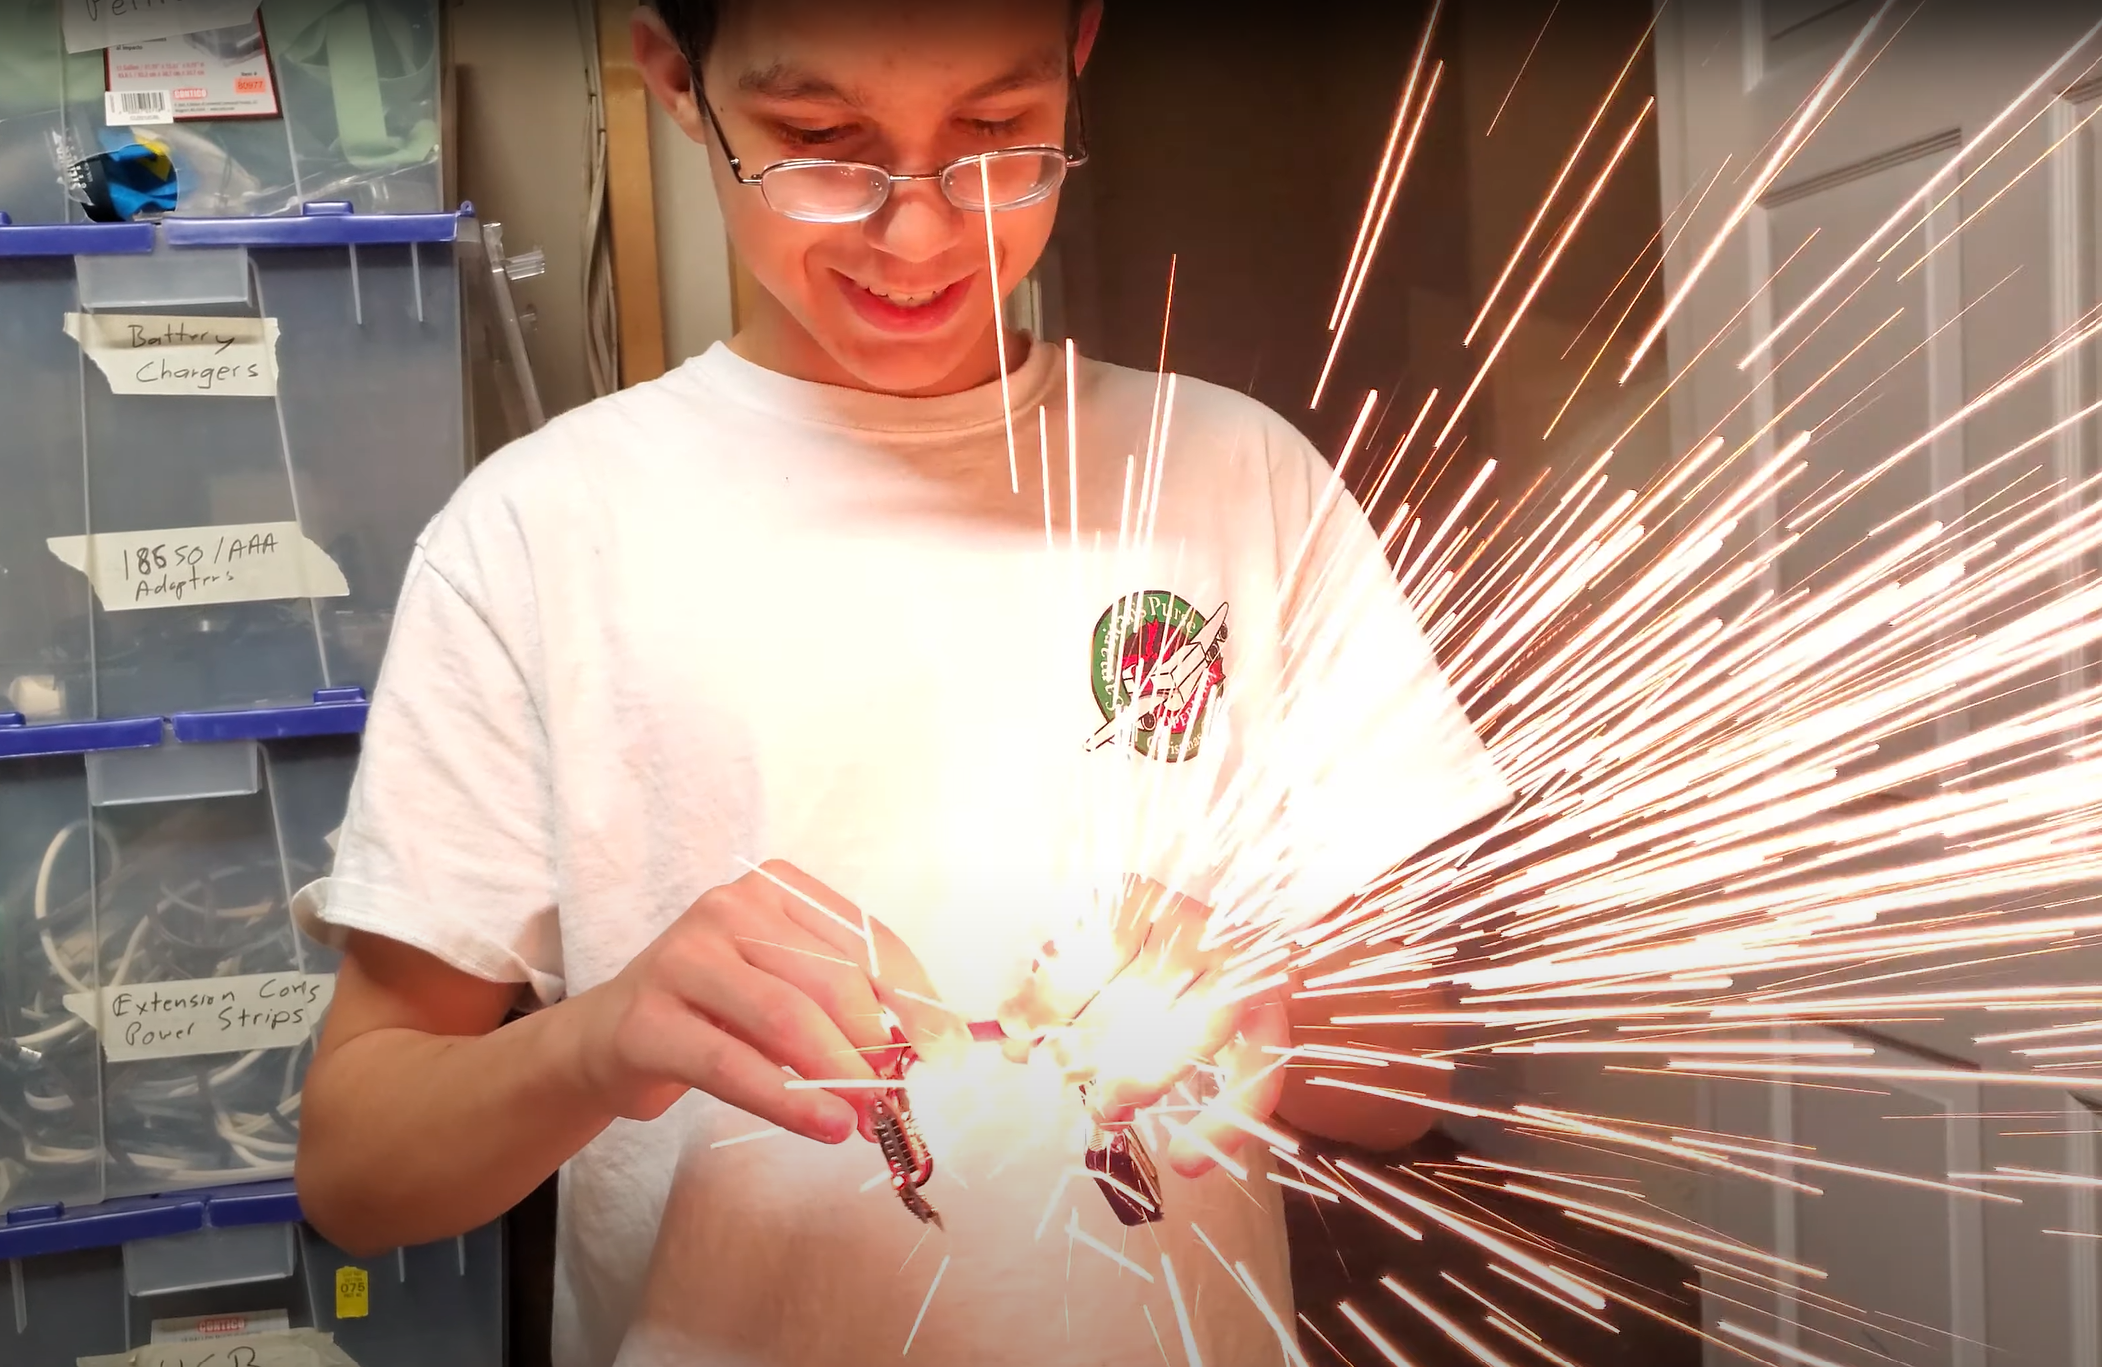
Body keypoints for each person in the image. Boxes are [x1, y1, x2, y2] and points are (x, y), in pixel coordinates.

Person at [292, 2, 1512, 1364]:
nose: (921, 232)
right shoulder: (536, 529)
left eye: (996, 134)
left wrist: (1263, 998)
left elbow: (1405, 1077)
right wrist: (601, 1039)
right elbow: (357, 1169)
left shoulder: (1238, 480)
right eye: (819, 140)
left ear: (1078, 58)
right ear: (675, 79)